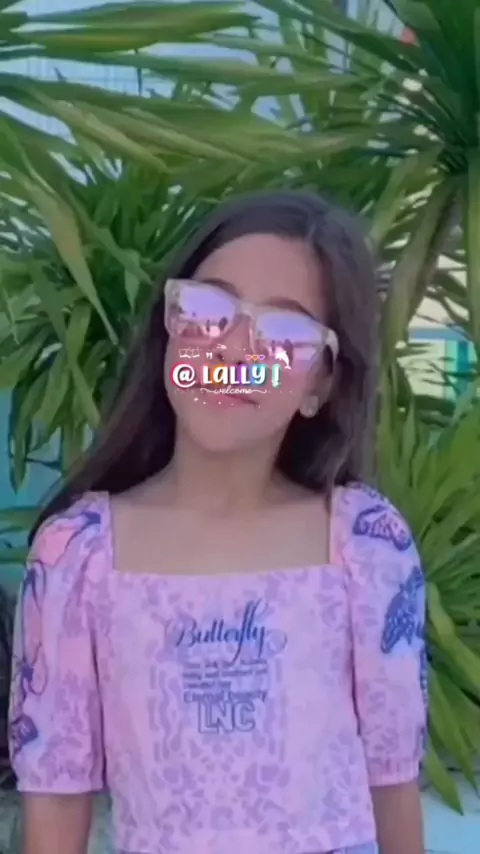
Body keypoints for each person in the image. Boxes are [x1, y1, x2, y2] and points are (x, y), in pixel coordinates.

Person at [9, 190, 427, 854]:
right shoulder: (76, 557)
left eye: (284, 330)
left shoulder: (367, 546)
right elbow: (55, 798)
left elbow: (393, 778)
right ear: (169, 327)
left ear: (321, 383)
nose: (233, 348)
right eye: (210, 308)